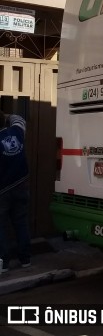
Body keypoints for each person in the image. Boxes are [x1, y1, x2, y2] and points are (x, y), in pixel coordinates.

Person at [0, 111, 30, 273]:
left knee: (1, 226)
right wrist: (7, 115)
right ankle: (25, 259)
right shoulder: (17, 132)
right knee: (20, 222)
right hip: (21, 185)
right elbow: (19, 119)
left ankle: (3, 263)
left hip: (3, 189)